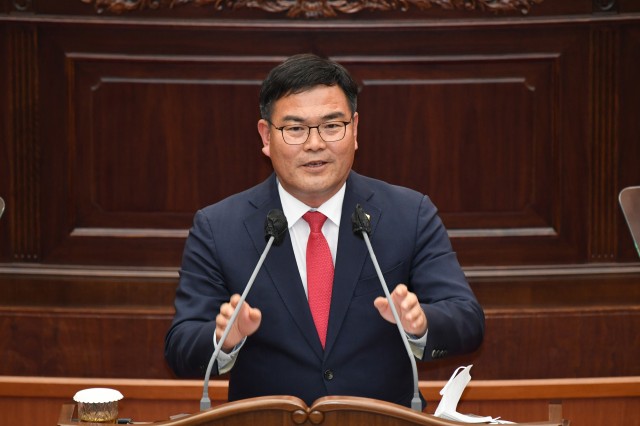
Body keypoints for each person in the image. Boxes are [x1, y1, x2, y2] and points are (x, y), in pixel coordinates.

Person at [164, 53, 485, 409]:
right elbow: (180, 346)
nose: (315, 144)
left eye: (332, 126)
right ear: (266, 136)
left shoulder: (409, 214)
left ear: (355, 129)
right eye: (295, 129)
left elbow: (467, 319)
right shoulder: (218, 227)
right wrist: (224, 339)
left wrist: (421, 324)